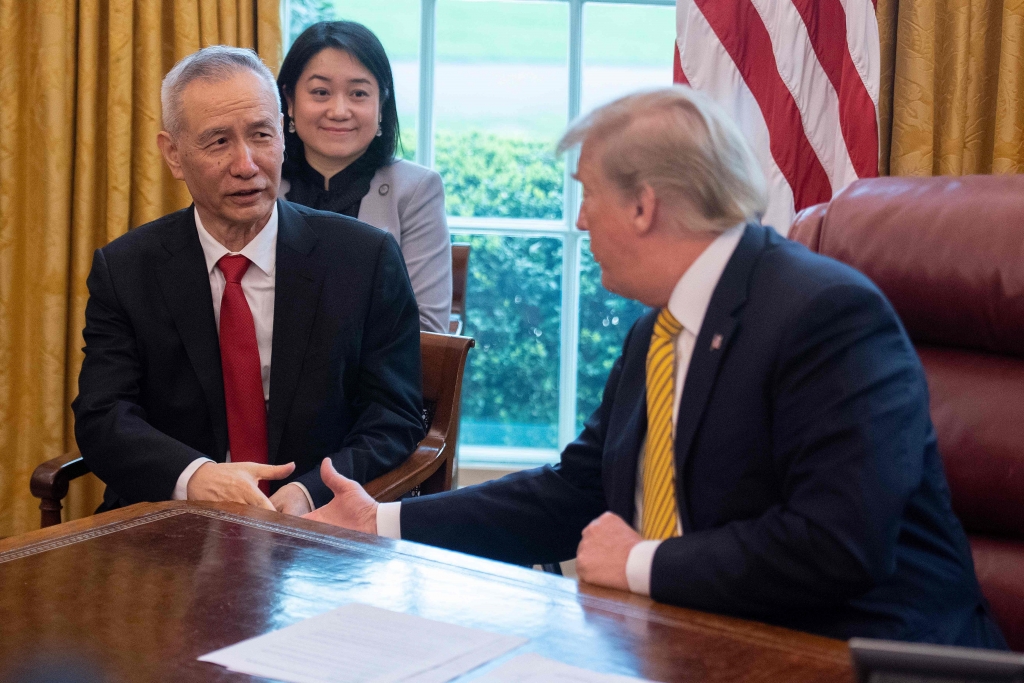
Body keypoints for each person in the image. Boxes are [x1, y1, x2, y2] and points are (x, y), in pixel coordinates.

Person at [302, 87, 1007, 648]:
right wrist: (381, 523)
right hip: (701, 639)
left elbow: (837, 544)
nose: (581, 221)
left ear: (643, 206)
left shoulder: (826, 316)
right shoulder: (658, 329)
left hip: (859, 654)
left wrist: (641, 562)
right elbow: (575, 493)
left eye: (587, 194)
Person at [72, 46, 425, 517]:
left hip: (316, 520)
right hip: (174, 521)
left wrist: (308, 493)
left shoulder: (364, 258)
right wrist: (196, 477)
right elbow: (103, 415)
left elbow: (394, 417)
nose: (246, 164)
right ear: (173, 155)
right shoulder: (127, 269)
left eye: (261, 135)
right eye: (218, 142)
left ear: (282, 134)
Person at [278, 21, 452, 333]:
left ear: (381, 104)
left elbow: (427, 331)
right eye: (321, 92)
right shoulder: (257, 185)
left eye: (358, 93)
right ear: (289, 101)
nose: (339, 111)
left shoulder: (417, 191)